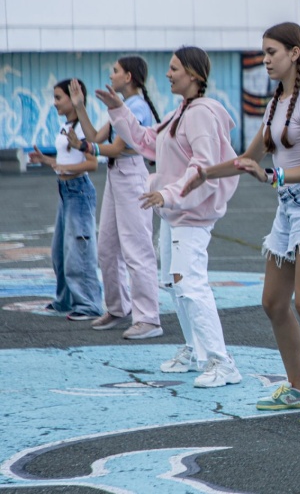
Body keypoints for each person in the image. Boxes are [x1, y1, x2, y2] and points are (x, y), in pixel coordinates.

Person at [183, 22, 300, 423]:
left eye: (271, 52)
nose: (264, 59)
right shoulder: (275, 103)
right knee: (273, 302)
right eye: (263, 52)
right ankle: (299, 389)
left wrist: (272, 176)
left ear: (294, 54)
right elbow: (247, 159)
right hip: (288, 208)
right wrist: (203, 174)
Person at [96, 46, 242, 388]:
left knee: (191, 284)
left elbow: (202, 166)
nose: (167, 74)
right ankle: (195, 350)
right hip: (176, 213)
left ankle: (221, 362)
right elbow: (149, 142)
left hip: (190, 215)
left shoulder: (201, 114)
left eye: (174, 68)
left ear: (194, 75)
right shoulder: (182, 111)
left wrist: (169, 193)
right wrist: (119, 110)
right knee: (176, 286)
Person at [66, 57, 164, 339]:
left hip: (131, 177)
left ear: (128, 76)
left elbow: (117, 148)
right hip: (116, 176)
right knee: (107, 247)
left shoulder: (137, 107)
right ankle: (118, 308)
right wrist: (80, 107)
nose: (111, 75)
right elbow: (96, 136)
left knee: (137, 248)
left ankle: (149, 319)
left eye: (115, 71)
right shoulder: (123, 105)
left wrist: (86, 147)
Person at [28, 79, 103, 321]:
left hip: (78, 192)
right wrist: (46, 160)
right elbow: (65, 163)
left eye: (59, 97)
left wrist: (64, 168)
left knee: (79, 252)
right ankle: (65, 300)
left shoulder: (81, 129)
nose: (55, 103)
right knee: (59, 252)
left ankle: (89, 304)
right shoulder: (66, 126)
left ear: (73, 99)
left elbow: (92, 164)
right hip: (66, 191)